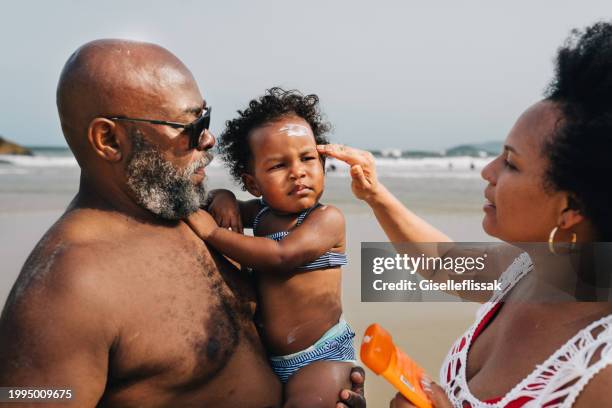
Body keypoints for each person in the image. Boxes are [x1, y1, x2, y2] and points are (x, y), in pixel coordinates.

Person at [0, 39, 365, 408]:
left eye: (207, 118)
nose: (209, 139)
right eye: (192, 125)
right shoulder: (66, 289)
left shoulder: (189, 213)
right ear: (109, 139)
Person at [319, 21, 612, 407]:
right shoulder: (529, 269)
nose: (487, 171)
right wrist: (375, 194)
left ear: (570, 208)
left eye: (510, 163)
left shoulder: (601, 366)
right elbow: (444, 263)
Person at [186, 88, 356, 407]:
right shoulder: (263, 213)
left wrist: (213, 234)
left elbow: (281, 256)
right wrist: (222, 197)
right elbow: (224, 204)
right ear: (253, 183)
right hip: (268, 357)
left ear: (322, 164)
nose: (298, 172)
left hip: (321, 356)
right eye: (278, 166)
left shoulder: (325, 219)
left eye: (307, 159)